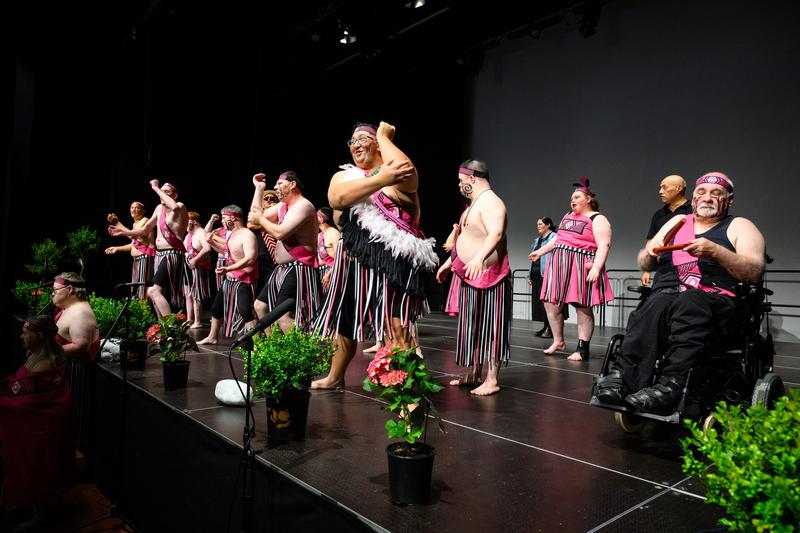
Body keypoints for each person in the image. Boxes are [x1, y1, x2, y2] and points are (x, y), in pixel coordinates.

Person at [596, 172, 765, 413]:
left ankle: (671, 385)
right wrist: (649, 255)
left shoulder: (740, 226)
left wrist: (717, 252)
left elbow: (754, 272)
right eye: (701, 193)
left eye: (716, 193)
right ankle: (622, 378)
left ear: (729, 200)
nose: (707, 198)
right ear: (693, 199)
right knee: (652, 306)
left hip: (716, 300)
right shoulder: (677, 223)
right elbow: (646, 263)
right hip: (669, 295)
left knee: (689, 301)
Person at [311, 121, 437, 389]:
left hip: (391, 264)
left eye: (364, 139)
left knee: (396, 326)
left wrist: (383, 135)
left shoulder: (398, 181)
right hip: (351, 263)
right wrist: (380, 178)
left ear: (379, 146)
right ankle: (335, 377)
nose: (356, 144)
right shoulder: (346, 176)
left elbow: (407, 173)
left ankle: (406, 392)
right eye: (352, 141)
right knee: (343, 320)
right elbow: (337, 199)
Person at [436, 160, 510, 396]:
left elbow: (496, 233)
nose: (459, 185)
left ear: (472, 178)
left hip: (490, 277)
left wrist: (479, 258)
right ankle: (475, 372)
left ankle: (492, 379)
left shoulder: (492, 202)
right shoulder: (473, 205)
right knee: (473, 327)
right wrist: (449, 264)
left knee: (492, 327)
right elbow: (466, 237)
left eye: (461, 180)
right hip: (470, 276)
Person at [0, 316, 74, 530]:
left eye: (25, 332)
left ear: (39, 336)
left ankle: (40, 513)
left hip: (42, 426)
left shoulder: (45, 364)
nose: (21, 336)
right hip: (40, 424)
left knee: (39, 464)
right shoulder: (36, 355)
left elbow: (32, 400)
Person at [530, 177, 614, 361]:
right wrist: (541, 251)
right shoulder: (568, 216)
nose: (573, 201)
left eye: (576, 197)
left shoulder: (598, 219)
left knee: (581, 307)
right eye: (571, 199)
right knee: (550, 303)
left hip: (580, 265)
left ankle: (582, 348)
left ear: (588, 199)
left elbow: (604, 245)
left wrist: (597, 268)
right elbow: (558, 239)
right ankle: (558, 341)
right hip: (559, 264)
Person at [249, 172, 321, 333]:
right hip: (282, 268)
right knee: (260, 306)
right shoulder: (283, 207)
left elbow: (280, 233)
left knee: (283, 316)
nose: (275, 188)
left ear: (292, 184)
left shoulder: (303, 206)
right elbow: (253, 219)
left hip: (298, 266)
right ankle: (274, 348)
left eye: (279, 184)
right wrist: (259, 189)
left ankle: (298, 354)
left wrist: (260, 219)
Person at [109, 180, 188, 317]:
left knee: (152, 291)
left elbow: (174, 207)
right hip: (160, 254)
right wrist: (123, 233)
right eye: (161, 192)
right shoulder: (159, 209)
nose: (162, 194)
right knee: (156, 293)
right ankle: (163, 329)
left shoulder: (179, 206)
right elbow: (145, 230)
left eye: (166, 192)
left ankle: (171, 328)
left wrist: (156, 188)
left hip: (172, 253)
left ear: (174, 196)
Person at [197, 206, 259, 345]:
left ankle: (258, 344)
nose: (223, 221)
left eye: (224, 218)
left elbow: (250, 259)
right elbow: (227, 251)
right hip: (230, 279)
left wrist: (228, 268)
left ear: (233, 217)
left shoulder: (247, 234)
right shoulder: (231, 234)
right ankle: (212, 336)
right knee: (216, 309)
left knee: (245, 311)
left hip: (244, 280)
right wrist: (211, 242)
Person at [640, 175, 692, 286]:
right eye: (660, 188)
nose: (660, 191)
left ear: (679, 189)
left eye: (665, 188)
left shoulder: (693, 210)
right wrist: (647, 270)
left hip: (688, 266)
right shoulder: (658, 215)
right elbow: (651, 241)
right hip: (664, 269)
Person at [105, 201, 156, 300]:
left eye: (137, 207)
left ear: (143, 211)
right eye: (132, 207)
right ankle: (139, 312)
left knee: (143, 290)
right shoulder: (134, 224)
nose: (134, 209)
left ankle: (145, 314)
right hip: (137, 259)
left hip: (145, 258)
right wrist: (117, 248)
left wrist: (118, 223)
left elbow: (135, 235)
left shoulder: (145, 220)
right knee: (136, 290)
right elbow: (134, 244)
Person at [183, 211, 214, 329]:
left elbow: (207, 248)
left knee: (196, 294)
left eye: (186, 220)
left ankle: (197, 321)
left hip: (199, 266)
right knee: (188, 294)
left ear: (194, 221)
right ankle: (189, 319)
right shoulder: (189, 235)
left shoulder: (201, 232)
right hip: (188, 266)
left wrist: (195, 259)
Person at [528, 217, 557, 338]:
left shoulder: (553, 237)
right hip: (537, 275)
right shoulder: (537, 240)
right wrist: (530, 275)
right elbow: (533, 259)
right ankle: (545, 326)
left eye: (540, 224)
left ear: (548, 225)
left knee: (548, 303)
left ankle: (550, 329)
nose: (538, 226)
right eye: (537, 224)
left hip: (546, 274)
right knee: (540, 304)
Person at [316, 207, 340, 294]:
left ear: (322, 219)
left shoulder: (334, 233)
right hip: (321, 272)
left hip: (332, 272)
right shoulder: (319, 235)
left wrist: (330, 273)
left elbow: (340, 257)